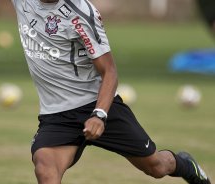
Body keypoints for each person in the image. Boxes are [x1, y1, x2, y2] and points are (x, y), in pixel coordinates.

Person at [11, 0, 211, 183]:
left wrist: (99, 115)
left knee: (156, 167)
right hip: (57, 115)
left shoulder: (80, 14)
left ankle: (187, 165)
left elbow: (110, 72)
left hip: (97, 105)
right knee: (46, 170)